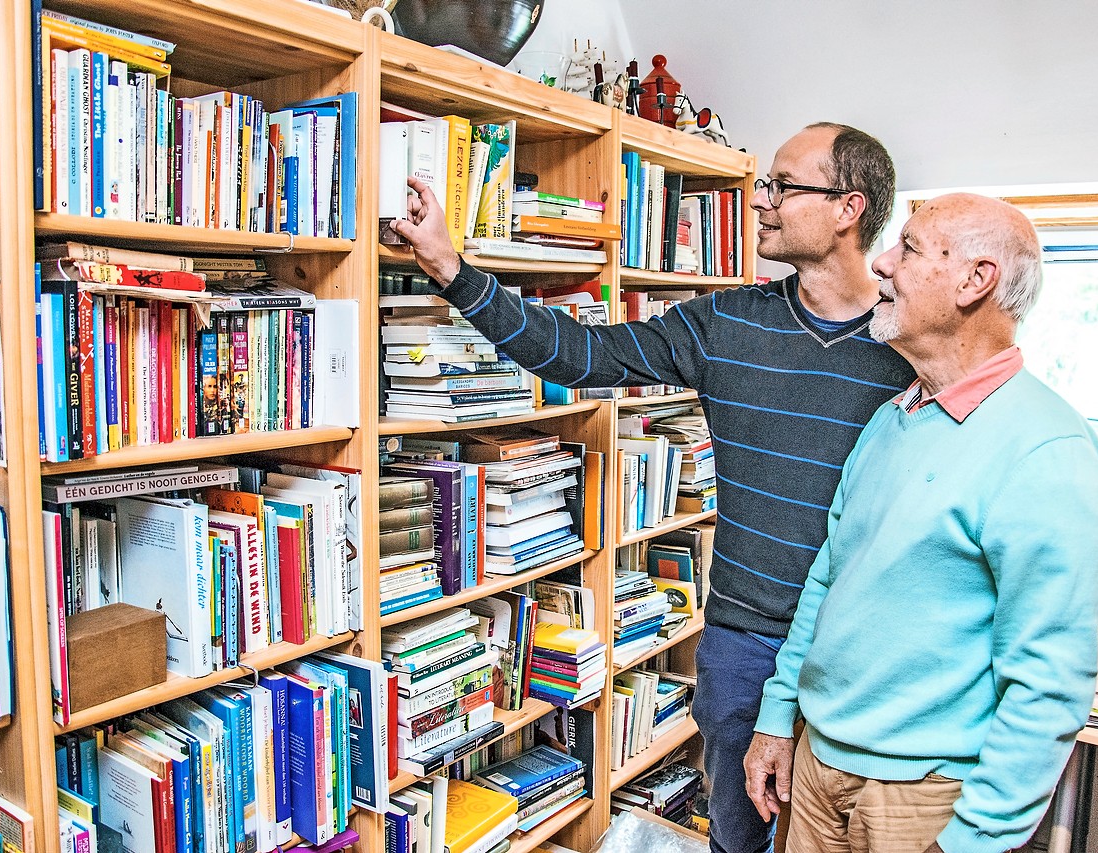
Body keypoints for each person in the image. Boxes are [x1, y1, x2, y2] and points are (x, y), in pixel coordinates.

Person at [392, 122, 917, 853]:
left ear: (847, 208)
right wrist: (453, 269)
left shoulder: (910, 345)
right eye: (764, 183)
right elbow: (576, 353)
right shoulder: (726, 323)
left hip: (860, 650)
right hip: (745, 644)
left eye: (782, 186)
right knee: (741, 836)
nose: (760, 200)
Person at [743, 193, 1098, 853]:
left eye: (909, 247)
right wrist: (777, 718)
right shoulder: (892, 419)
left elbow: (1049, 683)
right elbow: (829, 579)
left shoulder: (1047, 448)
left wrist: (975, 838)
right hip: (816, 767)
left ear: (976, 280)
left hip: (925, 801)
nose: (882, 263)